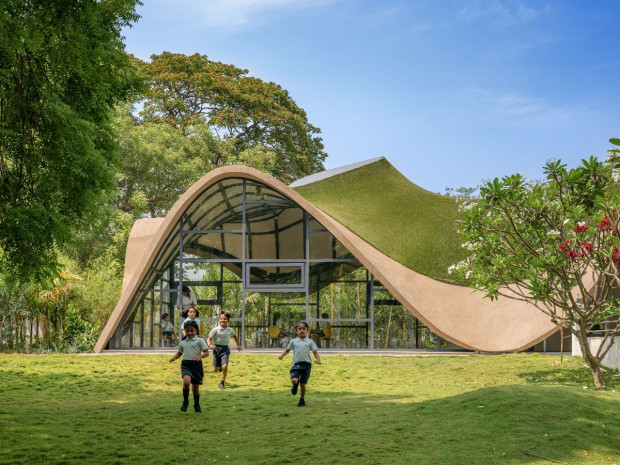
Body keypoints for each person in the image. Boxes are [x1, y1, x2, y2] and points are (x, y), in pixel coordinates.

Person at [168, 321, 209, 412]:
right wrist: (174, 358)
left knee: (195, 388)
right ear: (184, 332)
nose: (190, 333)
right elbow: (179, 353)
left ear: (196, 331)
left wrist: (200, 357)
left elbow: (206, 352)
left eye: (192, 330)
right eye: (187, 331)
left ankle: (196, 405)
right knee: (186, 382)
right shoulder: (183, 342)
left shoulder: (200, 341)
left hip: (196, 365)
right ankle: (185, 402)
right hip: (186, 365)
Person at [279, 320, 321, 407]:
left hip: (307, 365)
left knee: (303, 384)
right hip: (296, 364)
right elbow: (287, 350)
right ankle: (294, 385)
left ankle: (302, 400)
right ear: (296, 331)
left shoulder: (310, 342)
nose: (302, 330)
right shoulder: (294, 341)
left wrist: (318, 359)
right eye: (300, 329)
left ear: (307, 330)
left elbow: (315, 352)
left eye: (304, 329)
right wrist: (282, 355)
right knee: (294, 380)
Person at [207, 311, 241, 390]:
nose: (223, 320)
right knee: (215, 369)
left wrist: (238, 345)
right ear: (219, 320)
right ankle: (219, 367)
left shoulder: (230, 330)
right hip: (217, 349)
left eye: (225, 319)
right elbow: (208, 338)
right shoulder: (215, 329)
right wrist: (210, 345)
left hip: (225, 349)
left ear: (228, 320)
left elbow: (235, 336)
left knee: (225, 366)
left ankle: (222, 383)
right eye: (221, 319)